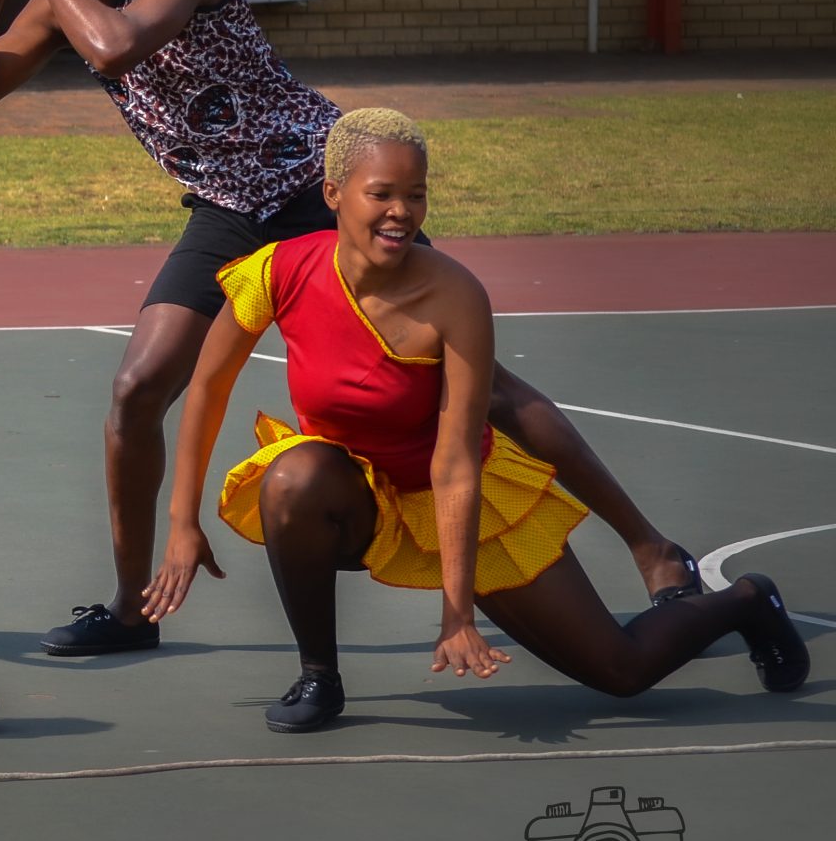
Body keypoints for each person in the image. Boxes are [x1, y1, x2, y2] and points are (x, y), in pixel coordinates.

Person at [0, 0, 700, 658]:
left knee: (476, 387)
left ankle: (649, 544)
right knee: (135, 393)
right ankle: (129, 608)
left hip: (318, 190)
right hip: (228, 208)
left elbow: (115, 49)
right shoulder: (60, 0)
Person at [141, 110, 809, 730]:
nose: (401, 212)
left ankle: (747, 602)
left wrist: (456, 612)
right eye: (381, 193)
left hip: (455, 495)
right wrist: (181, 524)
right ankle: (319, 675)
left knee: (621, 672)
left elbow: (456, 460)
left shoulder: (455, 296)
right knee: (294, 477)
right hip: (358, 491)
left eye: (417, 195)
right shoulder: (280, 269)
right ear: (334, 191)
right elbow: (207, 387)